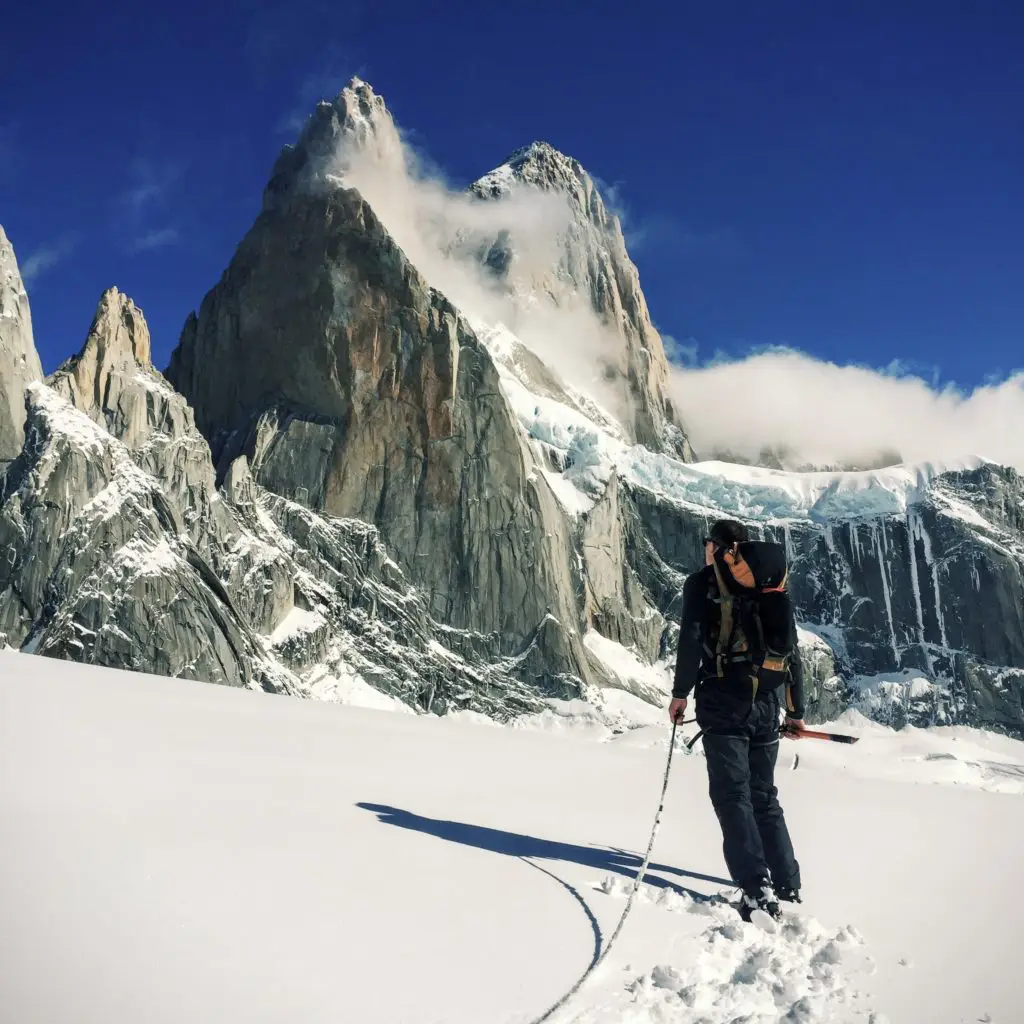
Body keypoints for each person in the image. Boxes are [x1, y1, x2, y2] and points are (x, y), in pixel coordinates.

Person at [667, 519, 806, 921]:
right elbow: (790, 650)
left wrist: (680, 694)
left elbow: (691, 641)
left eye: (707, 542)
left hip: (723, 700)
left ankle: (754, 887)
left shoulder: (702, 583)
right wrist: (795, 712)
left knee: (733, 796)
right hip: (766, 700)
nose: (704, 548)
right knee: (764, 796)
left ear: (718, 547)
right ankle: (788, 884)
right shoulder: (769, 584)